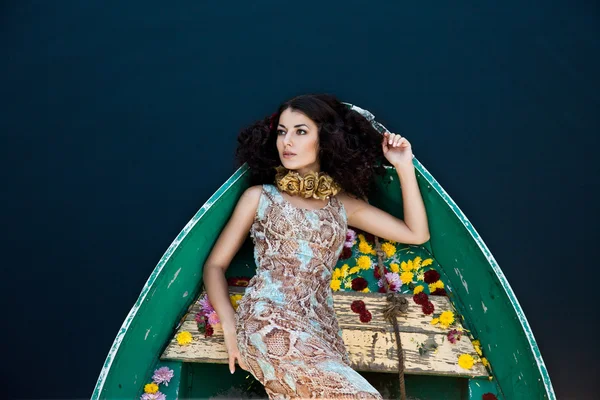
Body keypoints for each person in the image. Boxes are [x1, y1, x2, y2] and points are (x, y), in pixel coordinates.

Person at [202, 94, 430, 399]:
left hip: (320, 333)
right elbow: (214, 266)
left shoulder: (341, 206)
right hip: (267, 325)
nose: (287, 142)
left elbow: (416, 233)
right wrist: (230, 327)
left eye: (300, 131)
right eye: (282, 132)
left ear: (324, 139)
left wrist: (404, 166)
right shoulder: (260, 197)